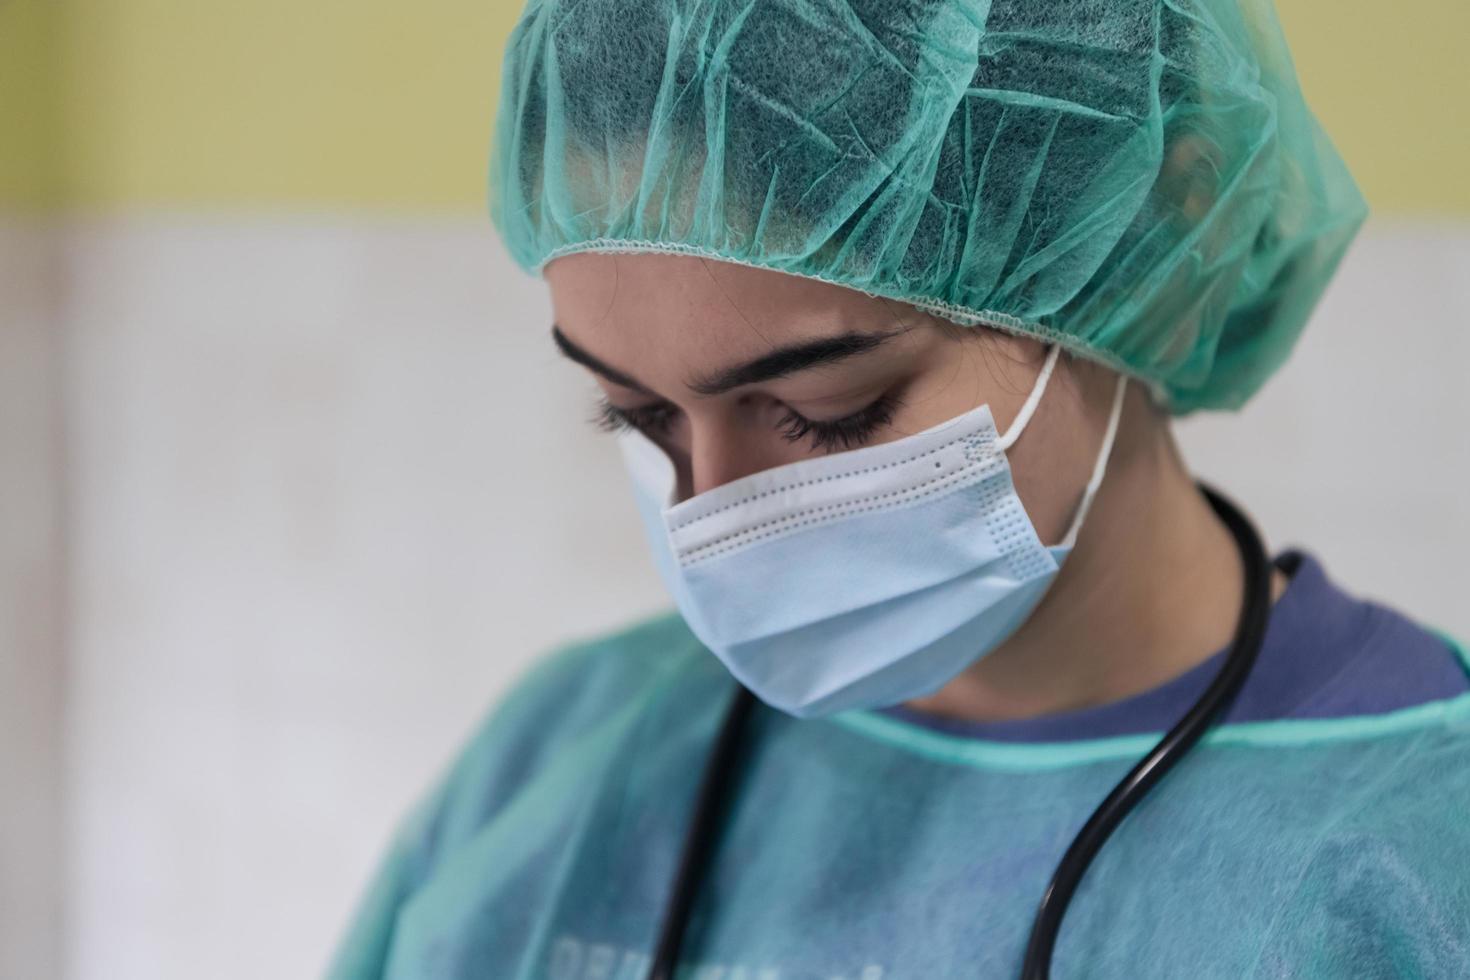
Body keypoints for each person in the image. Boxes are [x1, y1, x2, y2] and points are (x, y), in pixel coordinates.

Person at [328, 0, 1470, 977]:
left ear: (1148, 231)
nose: (712, 518)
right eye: (640, 414)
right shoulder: (558, 759)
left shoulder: (1414, 852)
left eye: (830, 412)